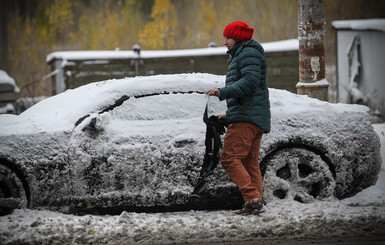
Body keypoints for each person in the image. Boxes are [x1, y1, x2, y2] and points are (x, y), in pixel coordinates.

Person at [205, 21, 271, 215]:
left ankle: (252, 199)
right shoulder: (243, 54)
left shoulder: (248, 53)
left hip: (247, 119)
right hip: (250, 116)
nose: (224, 42)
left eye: (228, 38)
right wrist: (230, 113)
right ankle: (256, 202)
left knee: (230, 158)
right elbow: (251, 93)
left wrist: (222, 92)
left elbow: (250, 83)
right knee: (249, 163)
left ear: (238, 38)